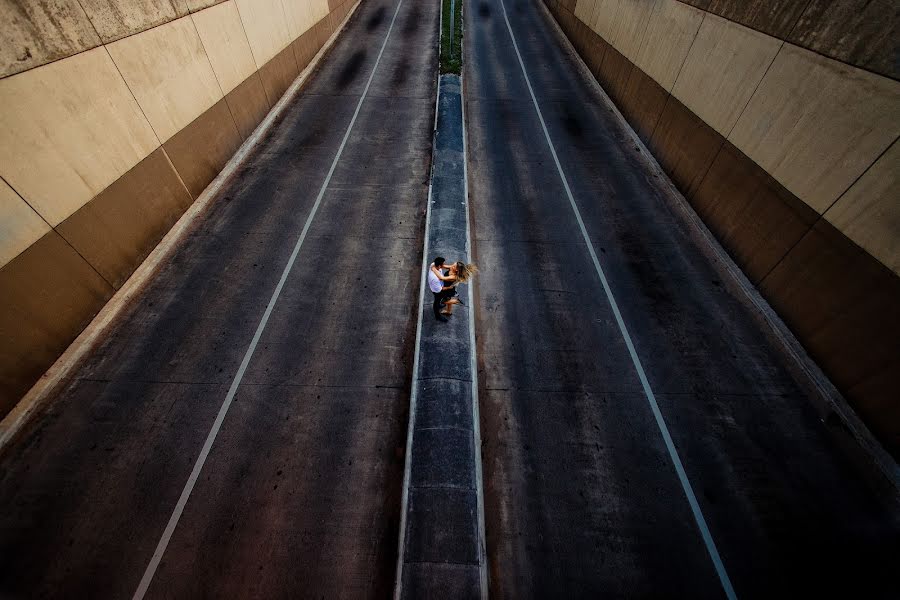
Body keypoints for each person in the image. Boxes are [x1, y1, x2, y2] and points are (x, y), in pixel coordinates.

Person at [428, 257, 456, 322]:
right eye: (443, 264)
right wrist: (450, 287)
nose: (444, 265)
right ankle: (437, 316)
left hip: (438, 286)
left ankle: (440, 305)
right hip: (437, 290)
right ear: (440, 265)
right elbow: (441, 289)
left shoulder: (433, 264)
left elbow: (445, 267)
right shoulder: (435, 279)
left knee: (440, 301)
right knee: (436, 302)